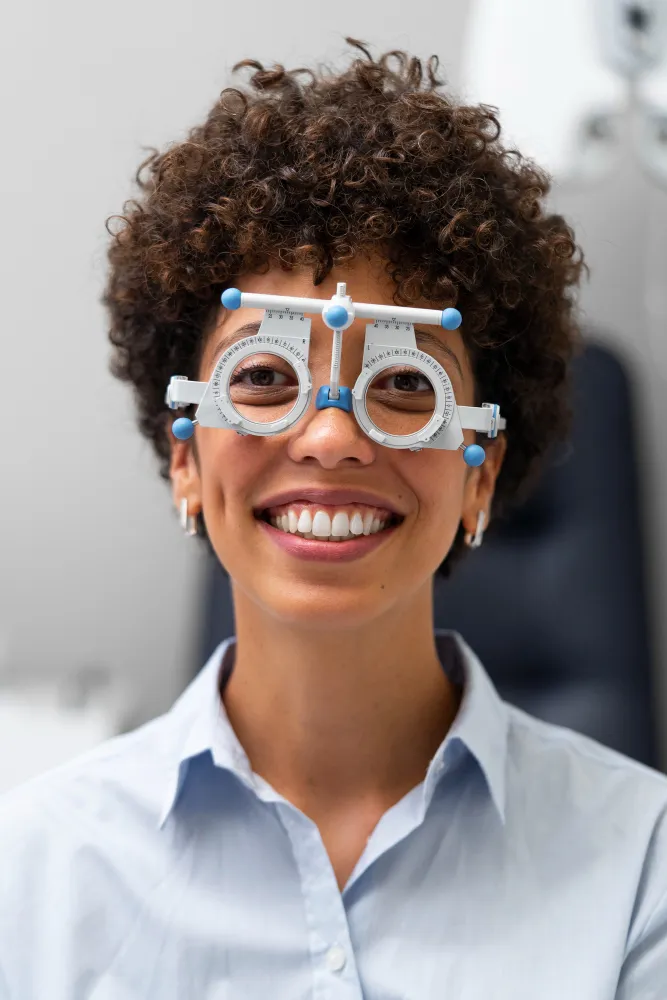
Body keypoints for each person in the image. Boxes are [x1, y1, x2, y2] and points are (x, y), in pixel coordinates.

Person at [1, 39, 666, 1000]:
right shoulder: (38, 880)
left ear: (482, 475)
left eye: (403, 383)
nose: (328, 437)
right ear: (185, 456)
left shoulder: (640, 870)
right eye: (263, 378)